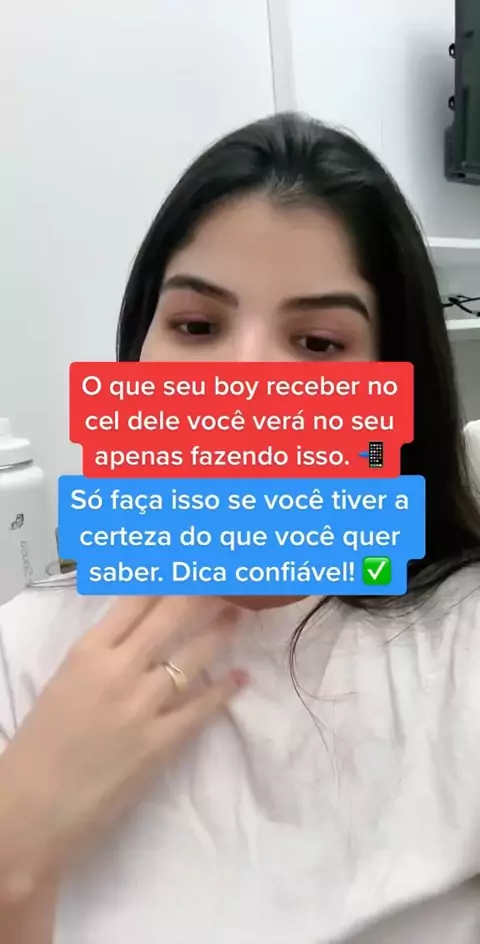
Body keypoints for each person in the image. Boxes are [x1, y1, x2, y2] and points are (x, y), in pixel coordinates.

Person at [1, 112, 480, 944]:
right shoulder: (26, 656)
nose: (244, 373)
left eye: (317, 342)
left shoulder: (461, 640)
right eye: (196, 327)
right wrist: (17, 849)